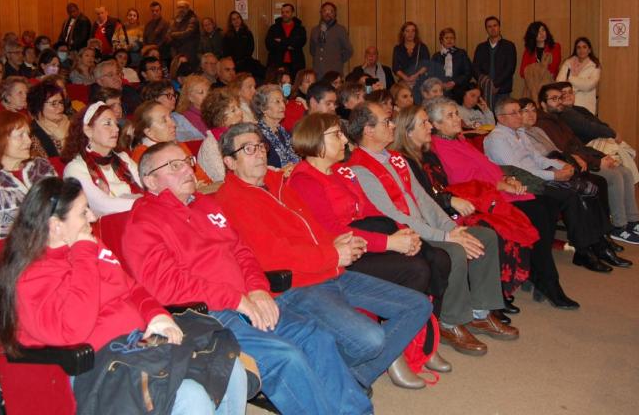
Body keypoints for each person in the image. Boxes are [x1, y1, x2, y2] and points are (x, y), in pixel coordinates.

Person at [123, 142, 373, 415]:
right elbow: (168, 286)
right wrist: (236, 299)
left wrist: (257, 290)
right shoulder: (143, 223)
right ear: (150, 180)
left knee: (318, 338)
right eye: (174, 166)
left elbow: (242, 252)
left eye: (186, 161)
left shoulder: (206, 204)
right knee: (285, 357)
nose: (187, 169)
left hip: (248, 301)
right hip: (208, 317)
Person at [0, 176, 247, 415]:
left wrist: (157, 315)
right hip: (95, 366)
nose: (92, 217)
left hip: (139, 344)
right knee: (191, 396)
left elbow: (132, 288)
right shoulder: (33, 276)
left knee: (227, 365)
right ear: (56, 226)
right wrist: (83, 253)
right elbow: (73, 330)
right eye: (83, 213)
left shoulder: (90, 246)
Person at [215, 123, 434, 390]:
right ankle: (338, 375)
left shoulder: (278, 182)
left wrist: (335, 243)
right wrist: (332, 254)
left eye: (261, 146)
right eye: (249, 149)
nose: (260, 153)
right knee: (371, 340)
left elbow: (313, 226)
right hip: (298, 287)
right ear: (229, 161)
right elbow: (272, 257)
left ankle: (353, 377)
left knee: (418, 305)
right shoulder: (230, 199)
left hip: (332, 272)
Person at [341, 103, 517, 353]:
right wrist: (445, 237)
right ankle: (450, 321)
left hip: (428, 227)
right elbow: (394, 214)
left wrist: (452, 229)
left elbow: (424, 199)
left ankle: (480, 312)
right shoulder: (359, 167)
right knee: (454, 250)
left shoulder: (396, 158)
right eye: (386, 122)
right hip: (402, 234)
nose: (392, 126)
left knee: (484, 236)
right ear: (368, 131)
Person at [287, 113, 452, 375]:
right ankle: (395, 351)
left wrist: (403, 234)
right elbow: (332, 232)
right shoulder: (304, 179)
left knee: (439, 258)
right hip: (345, 253)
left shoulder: (340, 171)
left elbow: (372, 210)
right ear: (315, 140)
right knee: (416, 269)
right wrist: (389, 243)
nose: (345, 140)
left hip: (367, 240)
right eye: (337, 135)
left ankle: (421, 341)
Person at [426, 96, 617, 274]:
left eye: (456, 113)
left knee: (583, 189)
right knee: (550, 204)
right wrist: (505, 183)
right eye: (450, 115)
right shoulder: (479, 141)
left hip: (510, 182)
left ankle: (595, 243)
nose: (458, 118)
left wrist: (508, 178)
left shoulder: (461, 140)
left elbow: (513, 162)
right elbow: (466, 179)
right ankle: (551, 269)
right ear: (435, 124)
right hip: (489, 193)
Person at [394, 103, 557, 310]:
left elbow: (482, 169)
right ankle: (506, 291)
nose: (429, 127)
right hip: (449, 209)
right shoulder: (406, 159)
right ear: (408, 131)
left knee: (543, 206)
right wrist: (450, 200)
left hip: (466, 199)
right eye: (425, 123)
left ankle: (496, 299)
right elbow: (425, 194)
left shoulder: (431, 153)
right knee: (496, 229)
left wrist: (507, 178)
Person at [536, 82, 639, 246]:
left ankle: (632, 220)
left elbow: (579, 146)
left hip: (585, 158)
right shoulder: (544, 124)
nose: (560, 101)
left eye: (560, 97)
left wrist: (602, 157)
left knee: (625, 171)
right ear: (543, 104)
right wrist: (597, 162)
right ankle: (618, 226)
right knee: (614, 176)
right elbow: (564, 152)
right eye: (554, 99)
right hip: (573, 165)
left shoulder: (558, 119)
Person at [0, 111, 57, 240]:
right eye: (20, 135)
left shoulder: (40, 166)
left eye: (28, 135)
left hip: (55, 239)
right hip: (9, 249)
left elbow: (62, 203)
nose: (29, 141)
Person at [62, 102, 142, 215]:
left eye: (116, 123)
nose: (116, 129)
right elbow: (101, 205)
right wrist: (146, 203)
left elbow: (147, 186)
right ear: (88, 130)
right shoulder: (75, 168)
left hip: (140, 216)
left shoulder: (123, 158)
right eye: (107, 123)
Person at [197, 89, 244, 183]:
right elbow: (222, 178)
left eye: (238, 107)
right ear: (219, 118)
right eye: (233, 110)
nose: (240, 112)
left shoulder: (240, 136)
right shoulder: (211, 145)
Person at [472, 16, 517, 106]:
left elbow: (510, 68)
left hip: (502, 90)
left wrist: (495, 85)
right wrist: (486, 85)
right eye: (489, 26)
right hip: (484, 90)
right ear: (486, 29)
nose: (493, 28)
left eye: (495, 25)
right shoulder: (480, 47)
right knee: (487, 117)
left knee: (503, 116)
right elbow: (475, 68)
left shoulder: (509, 46)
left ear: (499, 27)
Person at [557, 36, 601, 114]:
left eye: (584, 47)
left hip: (586, 106)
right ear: (575, 50)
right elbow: (559, 83)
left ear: (589, 50)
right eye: (578, 47)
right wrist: (580, 85)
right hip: (567, 105)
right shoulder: (568, 63)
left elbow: (589, 85)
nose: (581, 50)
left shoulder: (595, 65)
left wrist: (570, 79)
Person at [309, 2, 353, 80]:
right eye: (325, 11)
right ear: (321, 13)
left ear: (335, 14)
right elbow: (312, 50)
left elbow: (349, 50)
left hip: (334, 73)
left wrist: (337, 60)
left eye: (331, 11)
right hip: (318, 72)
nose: (327, 13)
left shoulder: (340, 29)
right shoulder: (315, 30)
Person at [28, 80, 70, 158]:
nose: (60, 107)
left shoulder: (72, 125)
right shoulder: (31, 135)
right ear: (38, 105)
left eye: (61, 102)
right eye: (53, 103)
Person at [519, 21, 561, 98]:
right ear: (533, 35)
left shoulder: (555, 47)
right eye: (538, 32)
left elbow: (553, 68)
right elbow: (523, 72)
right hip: (532, 89)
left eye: (543, 30)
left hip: (549, 86)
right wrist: (542, 67)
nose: (542, 34)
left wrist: (534, 69)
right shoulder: (528, 51)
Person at [265, 3, 307, 77]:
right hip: (277, 63)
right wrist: (289, 45)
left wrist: (281, 41)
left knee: (295, 86)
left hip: (296, 64)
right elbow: (269, 44)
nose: (284, 14)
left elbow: (300, 42)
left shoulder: (299, 28)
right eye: (282, 12)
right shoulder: (274, 28)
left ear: (292, 13)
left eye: (287, 12)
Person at [392, 21, 431, 101]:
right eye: (407, 31)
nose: (410, 33)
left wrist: (415, 76)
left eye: (413, 31)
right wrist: (406, 78)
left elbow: (426, 65)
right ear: (403, 33)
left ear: (415, 33)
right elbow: (395, 67)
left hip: (420, 82)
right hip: (403, 83)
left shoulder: (422, 47)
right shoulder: (398, 48)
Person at [430, 27, 473, 93]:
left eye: (452, 38)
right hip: (440, 90)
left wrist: (454, 82)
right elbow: (432, 74)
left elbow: (468, 73)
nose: (449, 40)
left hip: (459, 89)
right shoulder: (436, 56)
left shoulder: (461, 53)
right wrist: (441, 84)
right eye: (446, 38)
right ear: (441, 40)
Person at [172, 75, 209, 142]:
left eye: (208, 91)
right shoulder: (187, 117)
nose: (207, 95)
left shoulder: (210, 111)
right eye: (201, 92)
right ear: (190, 97)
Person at [170, 0, 200, 68]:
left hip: (189, 53)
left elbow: (188, 33)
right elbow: (168, 34)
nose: (181, 9)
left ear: (188, 8)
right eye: (179, 7)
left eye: (183, 7)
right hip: (176, 52)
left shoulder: (193, 19)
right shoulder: (174, 20)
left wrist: (173, 34)